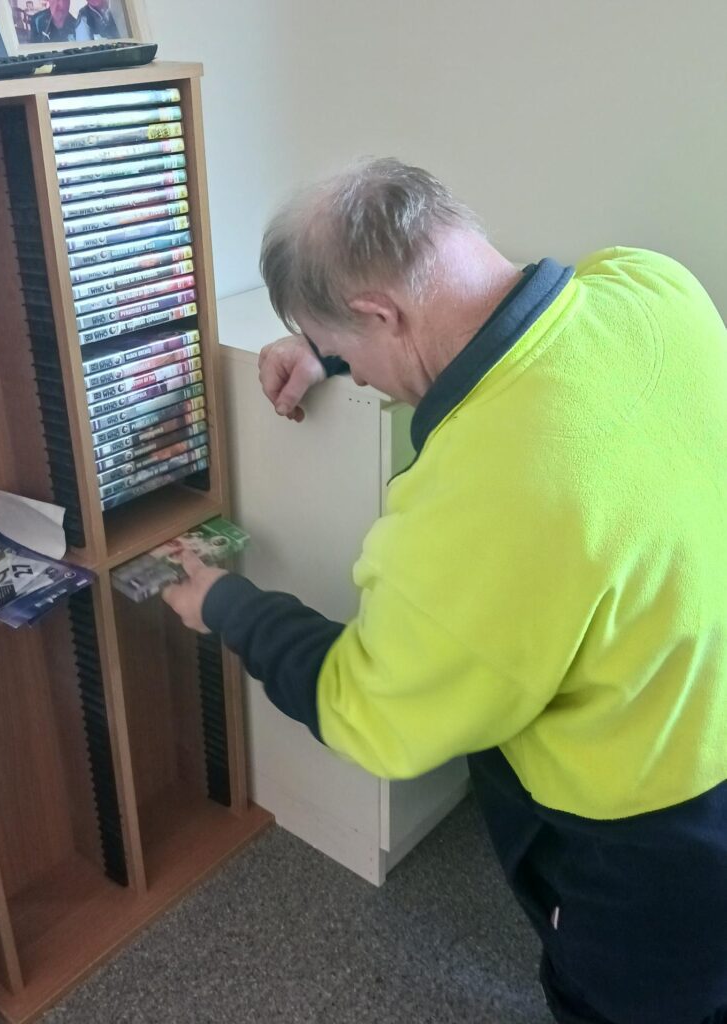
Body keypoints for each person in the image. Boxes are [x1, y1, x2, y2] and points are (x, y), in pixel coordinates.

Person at [162, 157, 727, 1024]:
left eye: (349, 347)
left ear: (378, 312)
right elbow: (511, 320)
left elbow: (373, 713)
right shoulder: (655, 288)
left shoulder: (472, 499)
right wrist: (330, 354)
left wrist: (226, 605)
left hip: (650, 836)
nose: (354, 368)